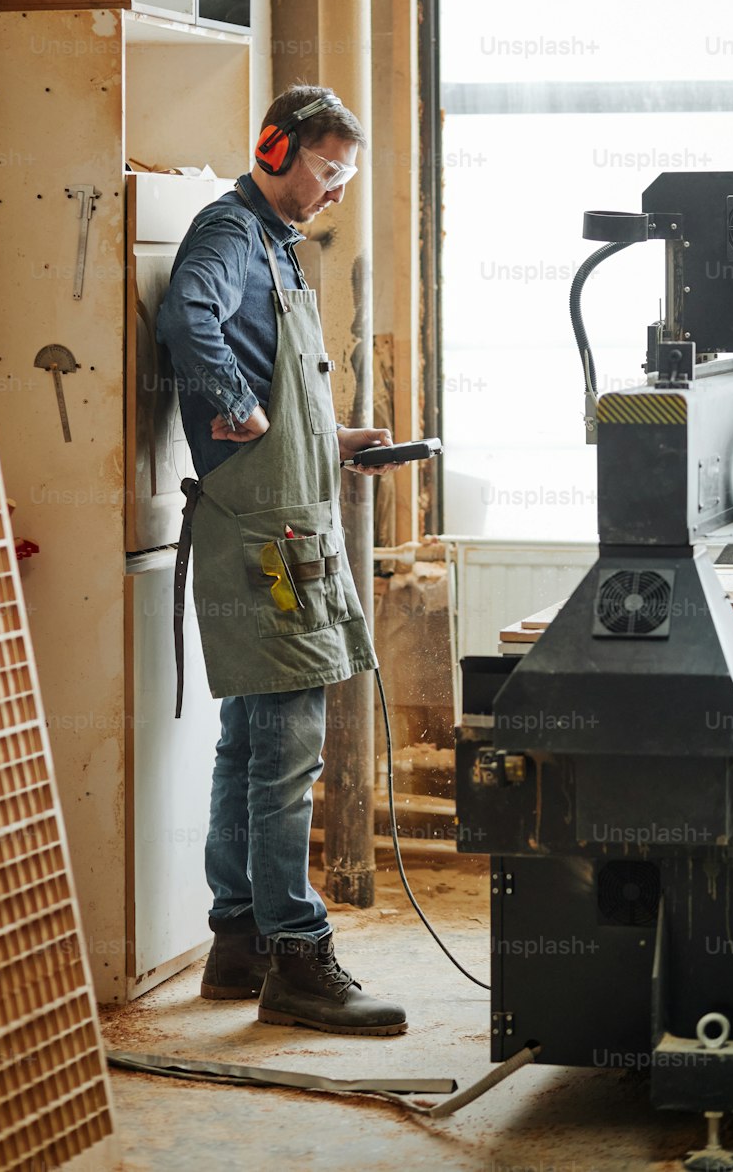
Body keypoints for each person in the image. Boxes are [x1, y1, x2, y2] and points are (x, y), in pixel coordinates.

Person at [156, 85, 408, 1037]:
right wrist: (234, 401)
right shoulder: (227, 234)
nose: (336, 191)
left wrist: (329, 437)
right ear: (275, 148)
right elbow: (190, 320)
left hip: (280, 516)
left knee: (249, 744)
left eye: (345, 174)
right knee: (289, 749)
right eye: (328, 170)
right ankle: (297, 959)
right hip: (270, 538)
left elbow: (266, 380)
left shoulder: (277, 246)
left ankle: (239, 940)